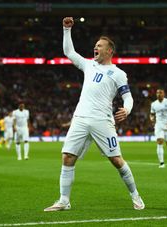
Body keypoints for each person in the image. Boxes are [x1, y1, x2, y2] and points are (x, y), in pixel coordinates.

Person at [44, 17, 145, 212]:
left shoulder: (118, 73)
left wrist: (127, 109)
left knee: (116, 160)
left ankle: (135, 195)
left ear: (109, 51)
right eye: (95, 46)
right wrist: (66, 30)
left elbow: (128, 97)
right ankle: (64, 200)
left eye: (99, 46)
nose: (95, 48)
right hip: (80, 118)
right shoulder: (88, 65)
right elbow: (69, 52)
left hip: (102, 121)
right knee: (67, 157)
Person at [150, 89, 167, 168]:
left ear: (164, 94)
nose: (158, 94)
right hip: (159, 125)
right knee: (160, 141)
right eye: (157, 92)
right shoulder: (154, 104)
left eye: (160, 92)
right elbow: (151, 114)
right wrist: (151, 118)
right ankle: (161, 163)